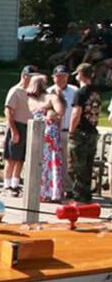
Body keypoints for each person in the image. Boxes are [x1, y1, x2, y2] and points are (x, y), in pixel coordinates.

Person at [25, 75, 67, 202]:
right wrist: (59, 97)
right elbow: (61, 111)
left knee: (39, 162)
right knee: (53, 161)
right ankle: (54, 192)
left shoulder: (30, 100)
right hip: (50, 132)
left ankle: (41, 192)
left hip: (37, 131)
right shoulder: (51, 97)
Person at [69, 63, 100, 203]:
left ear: (81, 74)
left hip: (81, 132)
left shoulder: (80, 93)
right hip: (93, 132)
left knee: (76, 166)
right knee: (88, 165)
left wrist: (71, 130)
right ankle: (86, 195)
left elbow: (76, 113)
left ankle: (78, 197)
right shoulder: (96, 91)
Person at [3, 65, 35, 197]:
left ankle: (15, 184)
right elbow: (8, 111)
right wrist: (14, 130)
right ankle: (6, 185)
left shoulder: (32, 92)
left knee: (21, 158)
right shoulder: (15, 91)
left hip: (28, 126)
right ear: (24, 76)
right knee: (11, 158)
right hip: (16, 125)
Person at [47, 65, 78, 188]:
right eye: (58, 76)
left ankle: (68, 187)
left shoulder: (75, 91)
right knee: (52, 161)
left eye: (64, 76)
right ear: (53, 77)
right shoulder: (48, 92)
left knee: (68, 161)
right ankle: (53, 186)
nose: (61, 79)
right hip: (52, 132)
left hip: (68, 131)